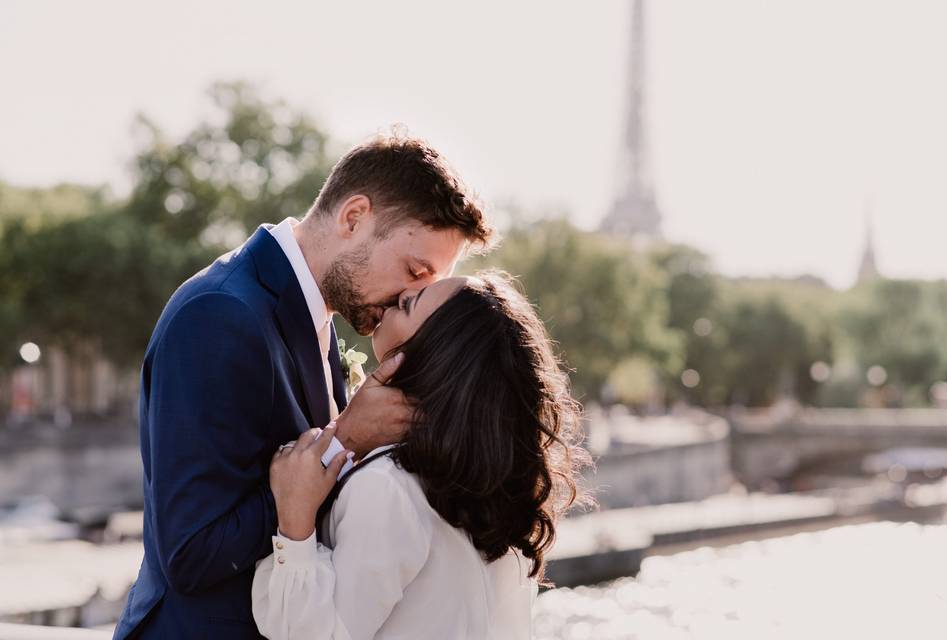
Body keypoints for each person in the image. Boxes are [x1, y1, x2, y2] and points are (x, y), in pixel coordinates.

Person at [114, 133, 492, 639]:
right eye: (412, 271)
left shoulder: (314, 316)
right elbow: (191, 553)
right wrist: (345, 440)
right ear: (353, 217)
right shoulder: (221, 314)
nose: (408, 296)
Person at [254, 272, 592, 639]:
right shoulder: (493, 491)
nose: (399, 293)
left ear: (431, 355)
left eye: (408, 305)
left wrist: (295, 526)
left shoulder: (387, 487)